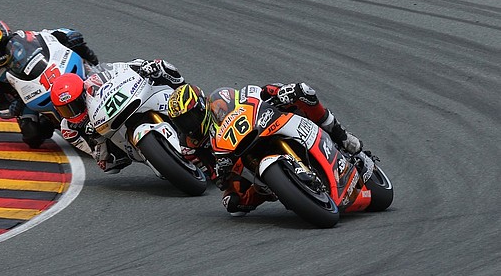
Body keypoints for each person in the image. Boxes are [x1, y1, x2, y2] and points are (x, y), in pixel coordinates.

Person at [168, 81, 367, 216]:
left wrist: (277, 92)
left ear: (202, 107)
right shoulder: (191, 144)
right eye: (181, 123)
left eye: (190, 118)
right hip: (240, 159)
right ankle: (280, 189)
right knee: (233, 204)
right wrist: (221, 173)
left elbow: (251, 94)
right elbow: (216, 177)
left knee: (302, 92)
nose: (189, 126)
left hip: (262, 125)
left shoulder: (220, 100)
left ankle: (342, 137)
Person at [0, 19, 99, 148]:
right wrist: (14, 107)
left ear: (8, 39)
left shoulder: (24, 38)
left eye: (1, 47)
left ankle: (96, 68)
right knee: (32, 136)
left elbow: (48, 35)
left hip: (49, 74)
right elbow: (1, 109)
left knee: (75, 42)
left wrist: (67, 35)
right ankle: (50, 121)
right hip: (26, 99)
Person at [50, 59, 185, 173]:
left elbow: (122, 68)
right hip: (114, 136)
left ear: (83, 93)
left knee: (160, 66)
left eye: (75, 105)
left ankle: (185, 90)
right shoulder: (69, 129)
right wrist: (95, 138)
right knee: (109, 166)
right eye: (66, 110)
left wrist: (142, 66)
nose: (74, 113)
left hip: (127, 102)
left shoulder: (95, 81)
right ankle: (158, 157)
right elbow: (100, 159)